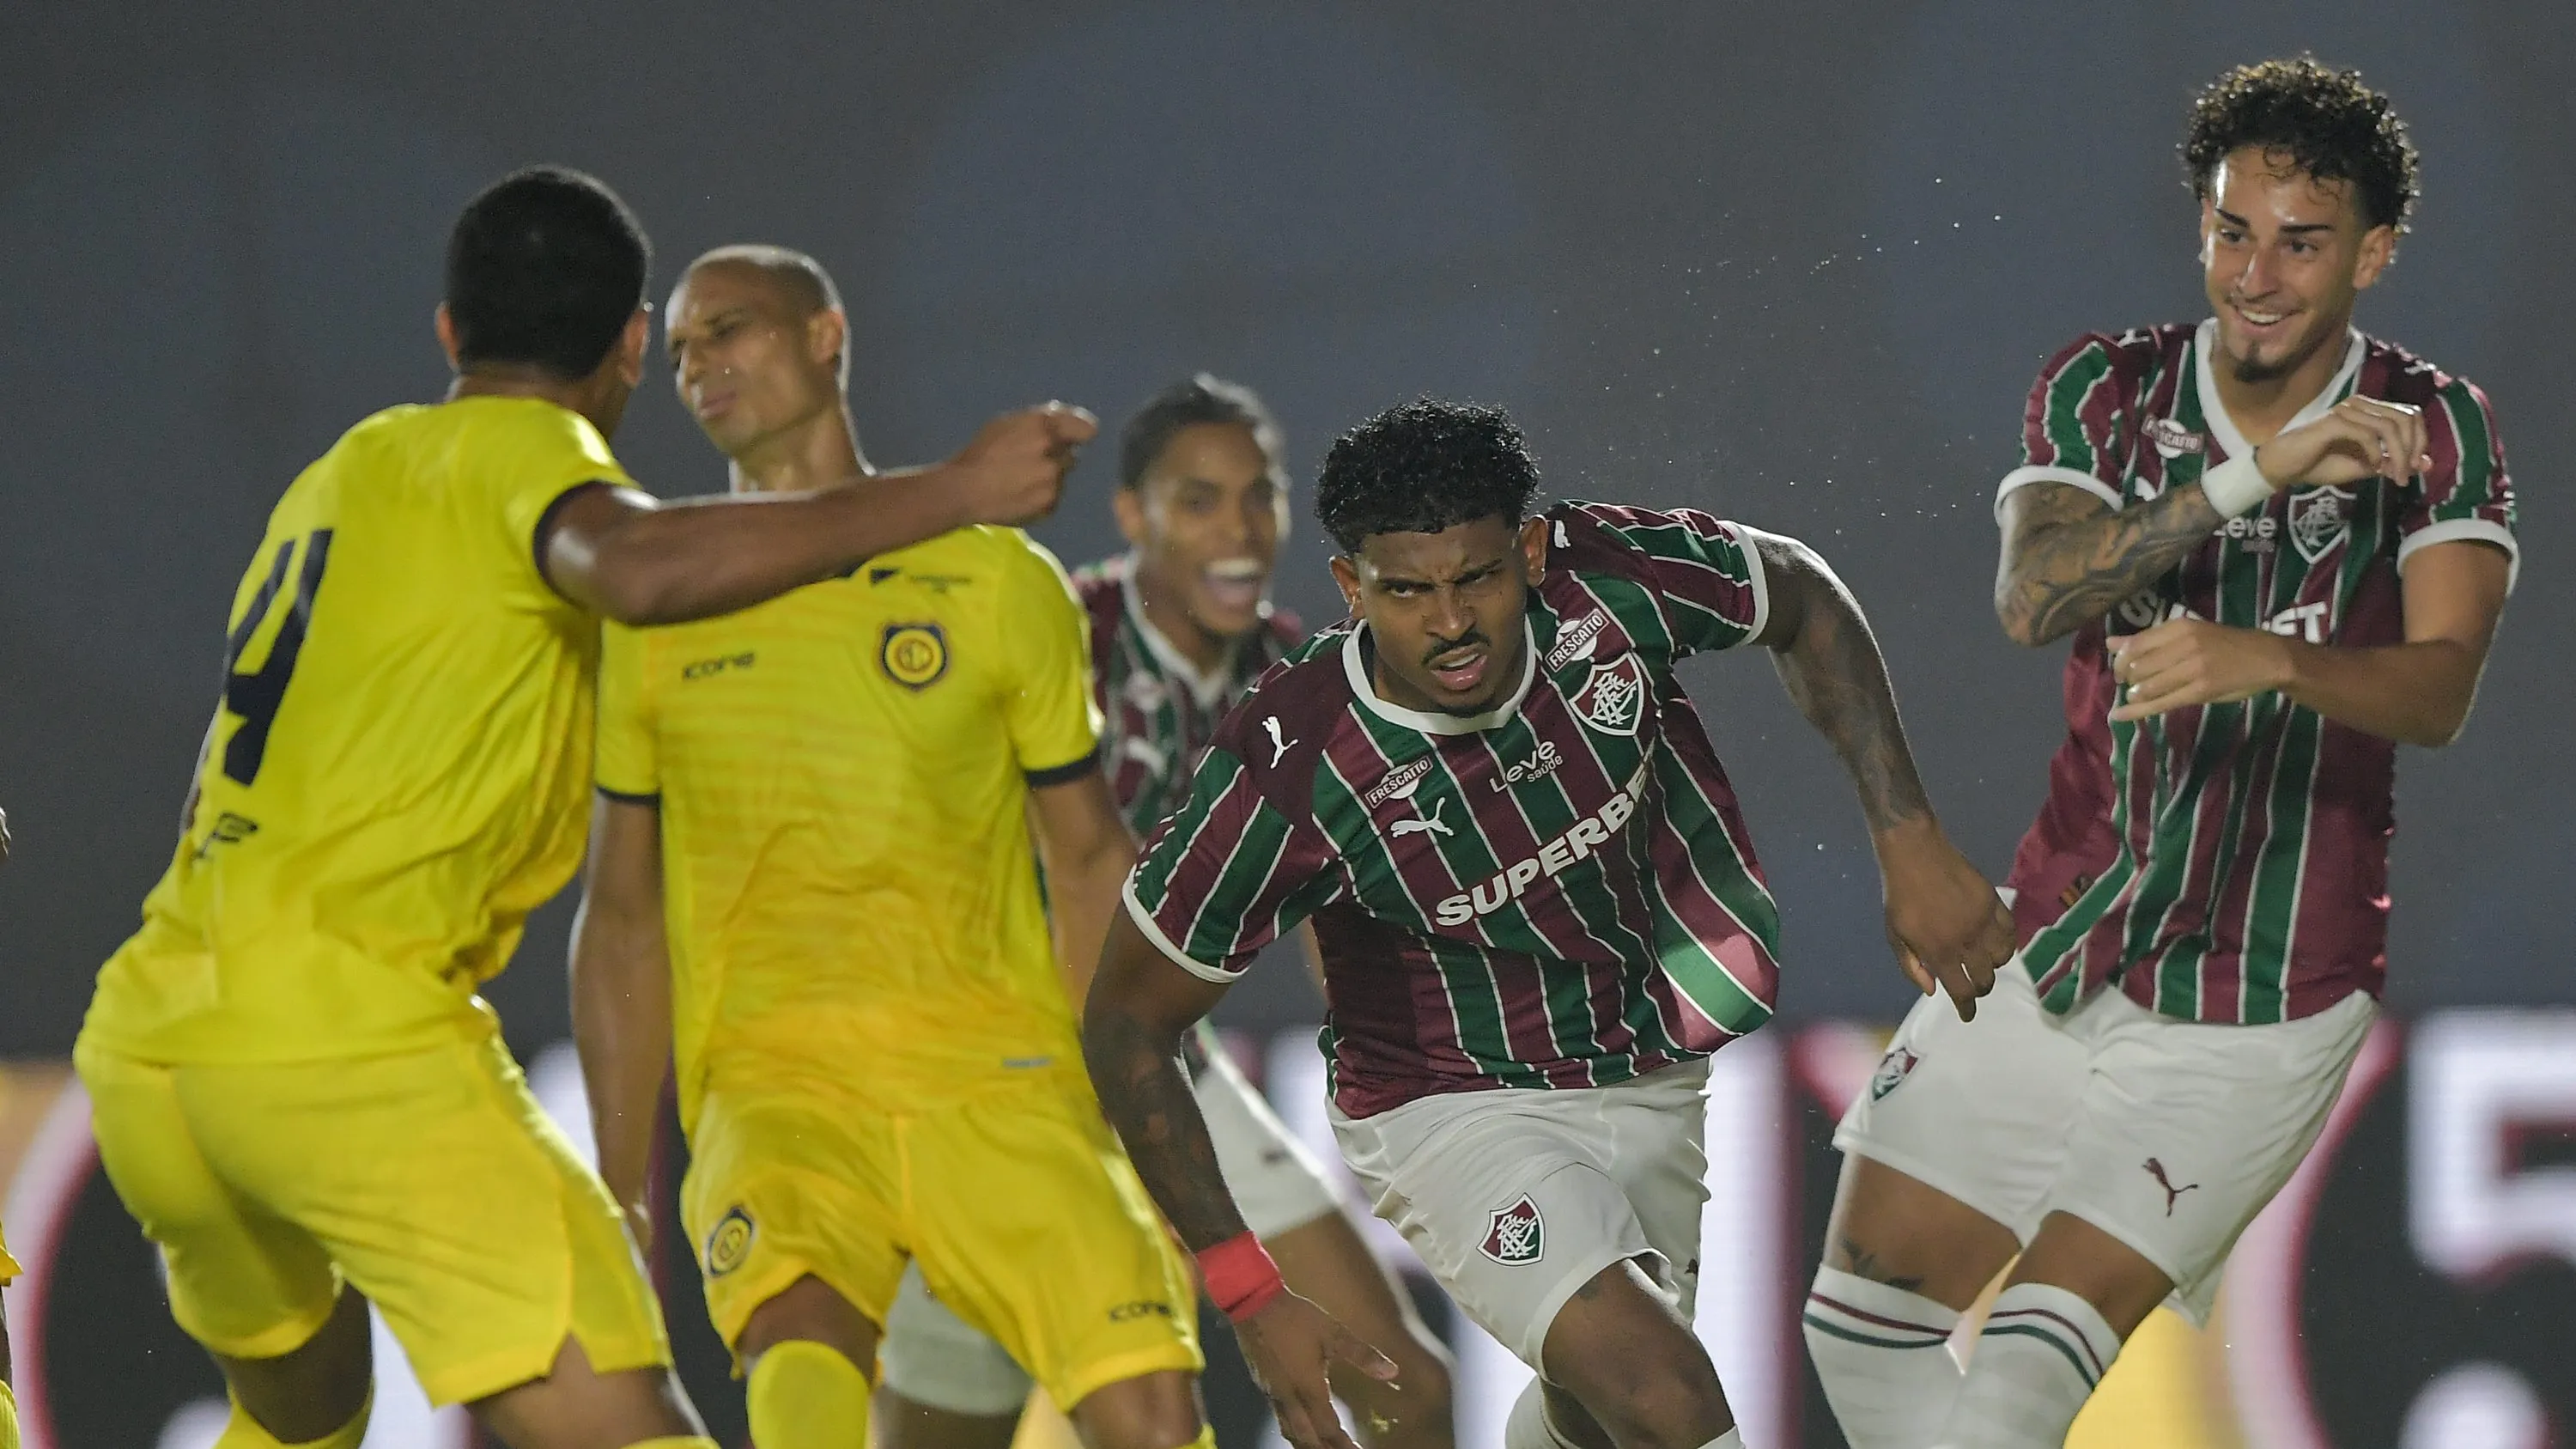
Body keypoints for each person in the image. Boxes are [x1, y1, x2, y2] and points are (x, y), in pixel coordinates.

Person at [72, 170, 1091, 1449]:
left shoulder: (341, 473)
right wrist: (956, 490)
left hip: (158, 1044)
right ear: (627, 343)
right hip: (349, 1050)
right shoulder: (533, 460)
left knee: (305, 1405)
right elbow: (635, 564)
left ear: (449, 332)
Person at [1082, 398, 2014, 1449]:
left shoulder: (1609, 581)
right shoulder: (1291, 764)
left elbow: (1795, 593)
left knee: (1598, 1417)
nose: (1447, 622)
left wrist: (1909, 837)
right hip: (1449, 1104)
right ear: (1351, 586)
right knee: (1666, 1394)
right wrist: (1251, 1295)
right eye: (1405, 590)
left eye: (1476, 577)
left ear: (1527, 549)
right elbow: (1124, 1024)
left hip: (1647, 1064)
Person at [1811, 58, 2516, 1449]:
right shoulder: (2109, 388)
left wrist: (2271, 659)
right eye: (2229, 229)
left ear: (2374, 253)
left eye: (2302, 242)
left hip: (2258, 1005)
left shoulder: (2434, 427)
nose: (2255, 275)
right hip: (2059, 941)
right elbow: (2035, 599)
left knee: (2013, 1388)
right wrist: (2257, 472)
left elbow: (2440, 693)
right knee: (1861, 1331)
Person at [570, 245, 1211, 1449]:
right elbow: (621, 914)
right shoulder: (656, 607)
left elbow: (1084, 862)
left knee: (1156, 1414)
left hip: (998, 1083)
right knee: (800, 1369)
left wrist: (1143, 1106)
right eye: (686, 344)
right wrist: (615, 1184)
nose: (701, 362)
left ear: (828, 335)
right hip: (779, 1089)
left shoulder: (996, 582)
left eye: (735, 327)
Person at [872, 377, 1456, 1448]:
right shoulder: (1052, 629)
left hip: (1154, 1066)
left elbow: (1343, 915)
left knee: (1399, 1384)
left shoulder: (1301, 674)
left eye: (1257, 497)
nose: (1237, 530)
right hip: (990, 1082)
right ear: (1132, 515)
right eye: (1199, 501)